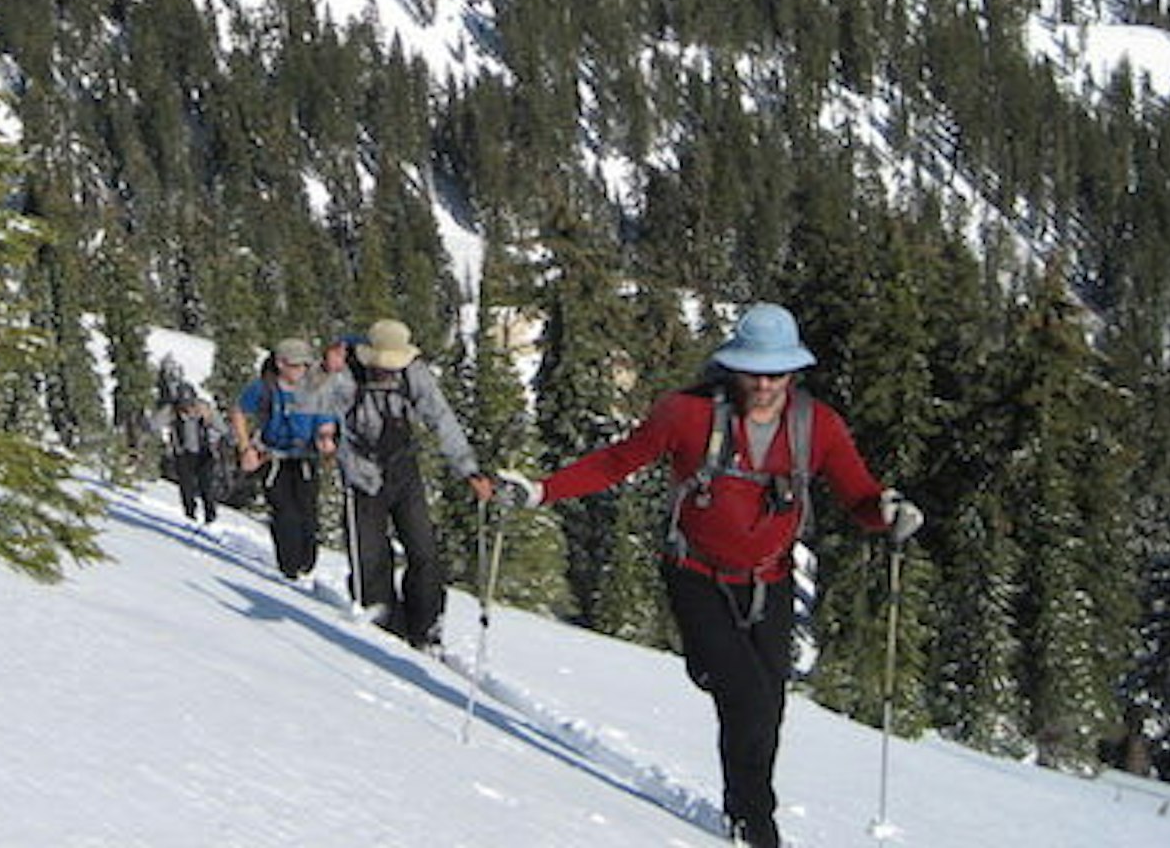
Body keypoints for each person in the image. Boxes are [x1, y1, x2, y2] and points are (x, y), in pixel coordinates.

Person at [495, 303, 924, 848]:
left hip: (769, 578)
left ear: (794, 372)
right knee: (745, 694)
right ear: (734, 368)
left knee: (767, 703)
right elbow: (617, 462)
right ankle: (755, 824)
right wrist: (540, 490)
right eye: (754, 371)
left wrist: (887, 512)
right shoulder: (687, 414)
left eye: (776, 372)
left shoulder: (817, 426)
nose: (765, 384)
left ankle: (742, 804)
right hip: (694, 572)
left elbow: (857, 492)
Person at [312, 318, 496, 650]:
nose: (387, 371)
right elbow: (311, 402)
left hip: (403, 470)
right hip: (361, 473)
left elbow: (441, 418)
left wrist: (468, 469)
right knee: (369, 557)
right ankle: (384, 627)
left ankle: (426, 629)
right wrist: (326, 372)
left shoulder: (414, 373)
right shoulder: (346, 372)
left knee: (424, 553)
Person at [231, 338, 338, 579]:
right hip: (273, 458)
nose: (301, 371)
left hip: (305, 458)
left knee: (308, 515)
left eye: (305, 366)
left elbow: (326, 418)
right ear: (281, 364)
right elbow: (239, 412)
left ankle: (305, 564)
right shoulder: (264, 388)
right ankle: (288, 569)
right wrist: (245, 447)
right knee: (284, 513)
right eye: (296, 365)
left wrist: (326, 440)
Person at [158, 387, 225, 525]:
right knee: (186, 485)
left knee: (206, 485)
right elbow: (154, 424)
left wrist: (210, 415)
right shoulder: (173, 412)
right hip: (183, 452)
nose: (188, 409)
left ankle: (210, 516)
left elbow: (223, 429)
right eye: (184, 405)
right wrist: (167, 411)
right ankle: (190, 514)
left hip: (205, 452)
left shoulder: (205, 410)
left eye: (190, 404)